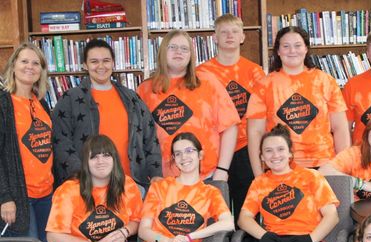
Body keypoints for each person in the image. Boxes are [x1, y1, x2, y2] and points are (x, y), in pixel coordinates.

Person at [0, 43, 53, 242]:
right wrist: (4, 196)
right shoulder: (4, 102)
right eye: (24, 61)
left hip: (45, 194)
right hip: (17, 198)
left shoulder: (40, 102)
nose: (30, 67)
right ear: (13, 65)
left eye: (36, 63)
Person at [52, 38, 162, 189]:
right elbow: (61, 141)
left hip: (131, 185)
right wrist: (79, 175)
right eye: (94, 61)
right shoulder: (70, 99)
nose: (101, 66)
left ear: (113, 63)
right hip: (88, 186)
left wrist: (156, 172)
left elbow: (150, 138)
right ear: (84, 65)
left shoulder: (132, 98)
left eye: (106, 60)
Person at [246, 26, 350, 176]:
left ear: (306, 48)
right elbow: (255, 132)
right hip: (280, 165)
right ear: (278, 51)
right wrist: (258, 174)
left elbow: (340, 127)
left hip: (324, 166)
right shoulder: (264, 86)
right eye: (286, 46)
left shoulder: (325, 81)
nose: (292, 51)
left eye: (297, 45)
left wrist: (342, 167)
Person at [137, 30, 240, 182]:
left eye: (184, 48)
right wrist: (151, 174)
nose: (179, 52)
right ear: (162, 52)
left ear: (191, 54)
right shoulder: (145, 90)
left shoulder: (208, 82)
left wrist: (222, 169)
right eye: (172, 47)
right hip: (163, 180)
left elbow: (230, 127)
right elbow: (138, 138)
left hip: (206, 176)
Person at [197, 14, 265, 222]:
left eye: (234, 31)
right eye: (223, 32)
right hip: (214, 150)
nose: (229, 36)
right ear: (214, 38)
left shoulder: (255, 71)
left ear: (242, 37)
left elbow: (263, 113)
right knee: (215, 211)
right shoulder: (201, 73)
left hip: (246, 148)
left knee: (248, 210)